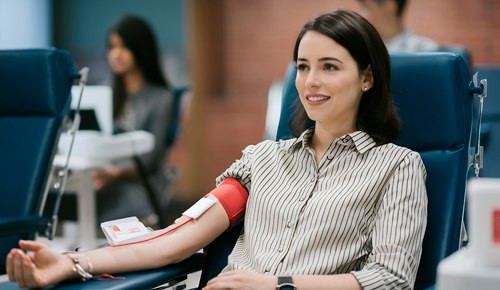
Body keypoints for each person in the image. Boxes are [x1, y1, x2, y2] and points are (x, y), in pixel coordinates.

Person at [6, 9, 427, 290]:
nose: (310, 81)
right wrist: (73, 262)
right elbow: (177, 240)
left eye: (329, 67)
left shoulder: (397, 167)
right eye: (302, 67)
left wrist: (276, 284)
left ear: (367, 78)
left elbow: (390, 277)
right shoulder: (263, 160)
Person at [94, 16, 174, 224]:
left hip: (137, 185)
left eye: (124, 47)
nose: (116, 54)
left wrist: (116, 174)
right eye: (112, 47)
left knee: (91, 207)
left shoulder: (161, 98)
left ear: (141, 50)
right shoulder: (103, 93)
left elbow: (150, 161)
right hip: (102, 178)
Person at [358, 0, 439, 52]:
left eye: (366, 7)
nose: (362, 15)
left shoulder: (425, 50)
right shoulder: (366, 49)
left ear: (389, 6)